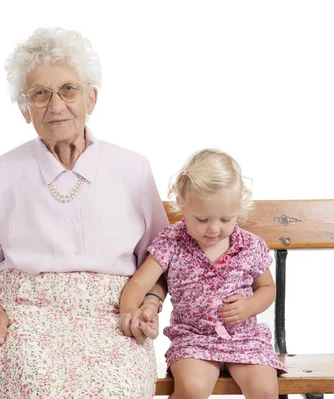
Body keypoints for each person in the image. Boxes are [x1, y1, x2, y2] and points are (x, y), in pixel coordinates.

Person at [0, 28, 169, 398]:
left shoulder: (133, 168)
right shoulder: (1, 173)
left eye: (68, 90)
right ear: (24, 110)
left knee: (112, 390)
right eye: (40, 94)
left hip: (113, 319)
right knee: (33, 385)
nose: (56, 105)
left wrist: (150, 304)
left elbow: (162, 258)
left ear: (91, 98)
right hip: (27, 318)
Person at [119, 148, 287, 399]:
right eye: (202, 219)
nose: (214, 228)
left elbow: (267, 288)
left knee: (264, 389)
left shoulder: (249, 245)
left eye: (225, 219)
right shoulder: (172, 241)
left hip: (244, 337)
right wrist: (132, 310)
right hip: (193, 338)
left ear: (238, 209)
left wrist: (250, 306)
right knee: (192, 389)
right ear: (182, 205)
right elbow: (139, 283)